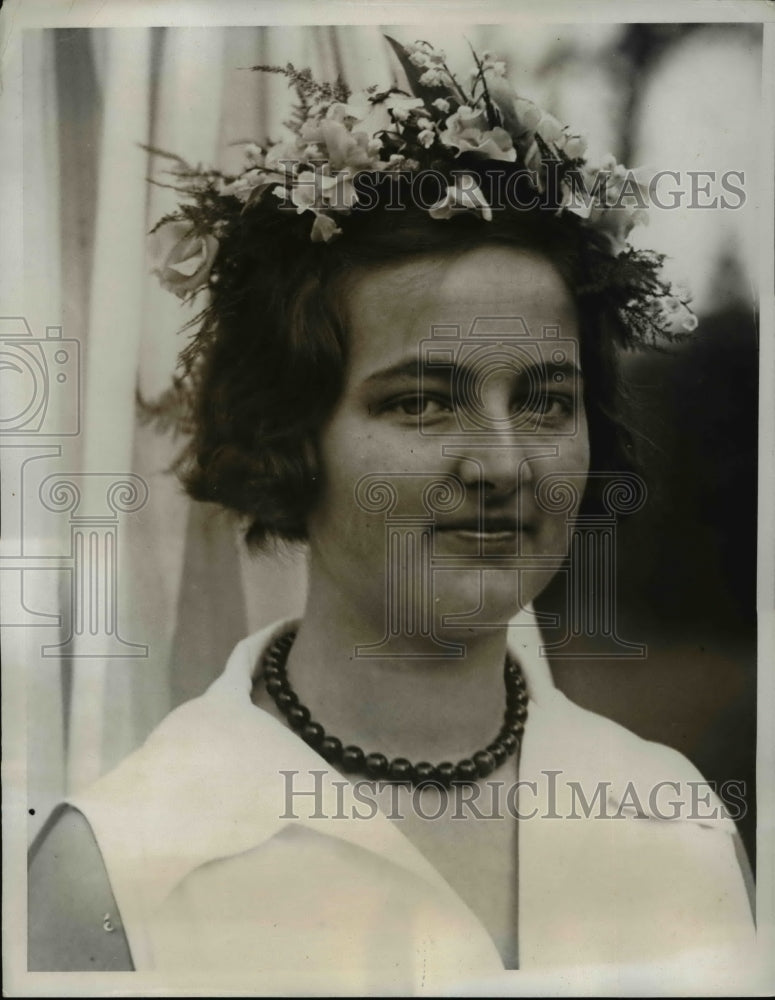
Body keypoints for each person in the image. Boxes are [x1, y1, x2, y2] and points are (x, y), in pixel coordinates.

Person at [27, 38, 754, 989]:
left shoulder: (678, 818)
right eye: (420, 401)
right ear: (291, 438)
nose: (500, 462)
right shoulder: (117, 869)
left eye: (544, 401)